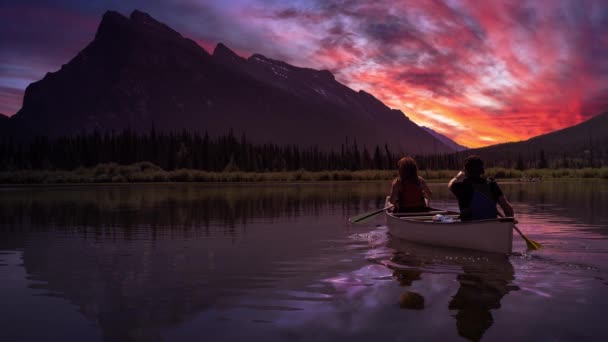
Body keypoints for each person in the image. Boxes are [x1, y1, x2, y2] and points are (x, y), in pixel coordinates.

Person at [449, 155, 514, 221]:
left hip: (469, 225)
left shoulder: (460, 185)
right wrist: (509, 222)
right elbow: (507, 208)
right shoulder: (491, 184)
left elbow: (450, 185)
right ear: (481, 170)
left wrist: (457, 177)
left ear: (466, 170)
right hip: (491, 224)